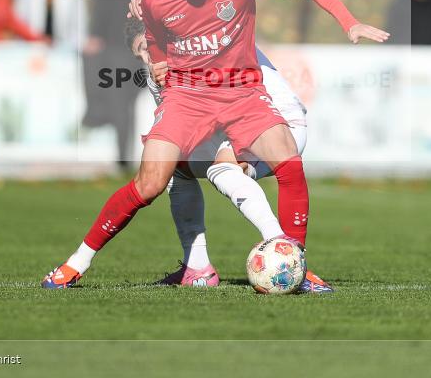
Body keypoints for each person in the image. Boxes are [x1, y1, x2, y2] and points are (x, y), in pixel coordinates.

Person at [41, 0, 389, 291]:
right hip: (187, 99)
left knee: (288, 159)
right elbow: (156, 39)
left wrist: (347, 20)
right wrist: (158, 61)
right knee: (150, 184)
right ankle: (75, 264)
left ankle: (294, 262)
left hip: (241, 92)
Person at [123, 16, 322, 290]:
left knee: (222, 169)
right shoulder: (159, 71)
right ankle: (197, 268)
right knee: (173, 168)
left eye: (148, 46)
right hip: (237, 125)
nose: (147, 56)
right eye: (140, 53)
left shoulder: (202, 34)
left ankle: (290, 258)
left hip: (279, 120)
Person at [81, 0, 146, 165]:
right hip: (109, 54)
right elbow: (97, 21)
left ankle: (123, 157)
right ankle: (95, 112)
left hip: (131, 57)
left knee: (121, 104)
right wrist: (94, 38)